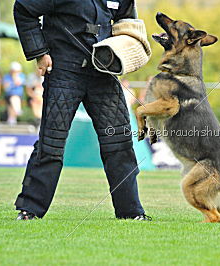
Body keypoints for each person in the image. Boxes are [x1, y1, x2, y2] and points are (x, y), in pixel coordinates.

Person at [13, 0, 149, 221]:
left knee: (120, 143)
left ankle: (131, 213)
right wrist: (40, 51)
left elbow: (128, 24)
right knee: (51, 143)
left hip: (103, 73)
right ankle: (30, 210)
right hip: (63, 70)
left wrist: (125, 54)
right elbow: (24, 9)